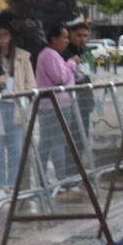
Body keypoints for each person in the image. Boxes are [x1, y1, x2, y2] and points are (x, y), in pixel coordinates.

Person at [0, 20, 36, 196]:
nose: (2, 38)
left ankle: (14, 184)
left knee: (16, 148)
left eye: (5, 34)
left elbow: (30, 82)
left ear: (11, 36)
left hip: (17, 107)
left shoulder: (23, 56)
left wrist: (25, 97)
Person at [35, 24, 78, 182]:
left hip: (54, 104)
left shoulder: (51, 54)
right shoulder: (50, 55)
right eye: (64, 37)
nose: (67, 41)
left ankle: (43, 176)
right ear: (54, 39)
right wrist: (72, 63)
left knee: (47, 141)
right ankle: (61, 177)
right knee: (56, 141)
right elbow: (60, 78)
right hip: (55, 105)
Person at [64, 22, 97, 161]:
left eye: (85, 36)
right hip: (70, 100)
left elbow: (90, 73)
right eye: (78, 35)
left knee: (83, 133)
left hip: (85, 98)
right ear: (71, 35)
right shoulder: (65, 52)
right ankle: (70, 167)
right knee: (71, 135)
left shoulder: (86, 52)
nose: (82, 39)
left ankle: (80, 164)